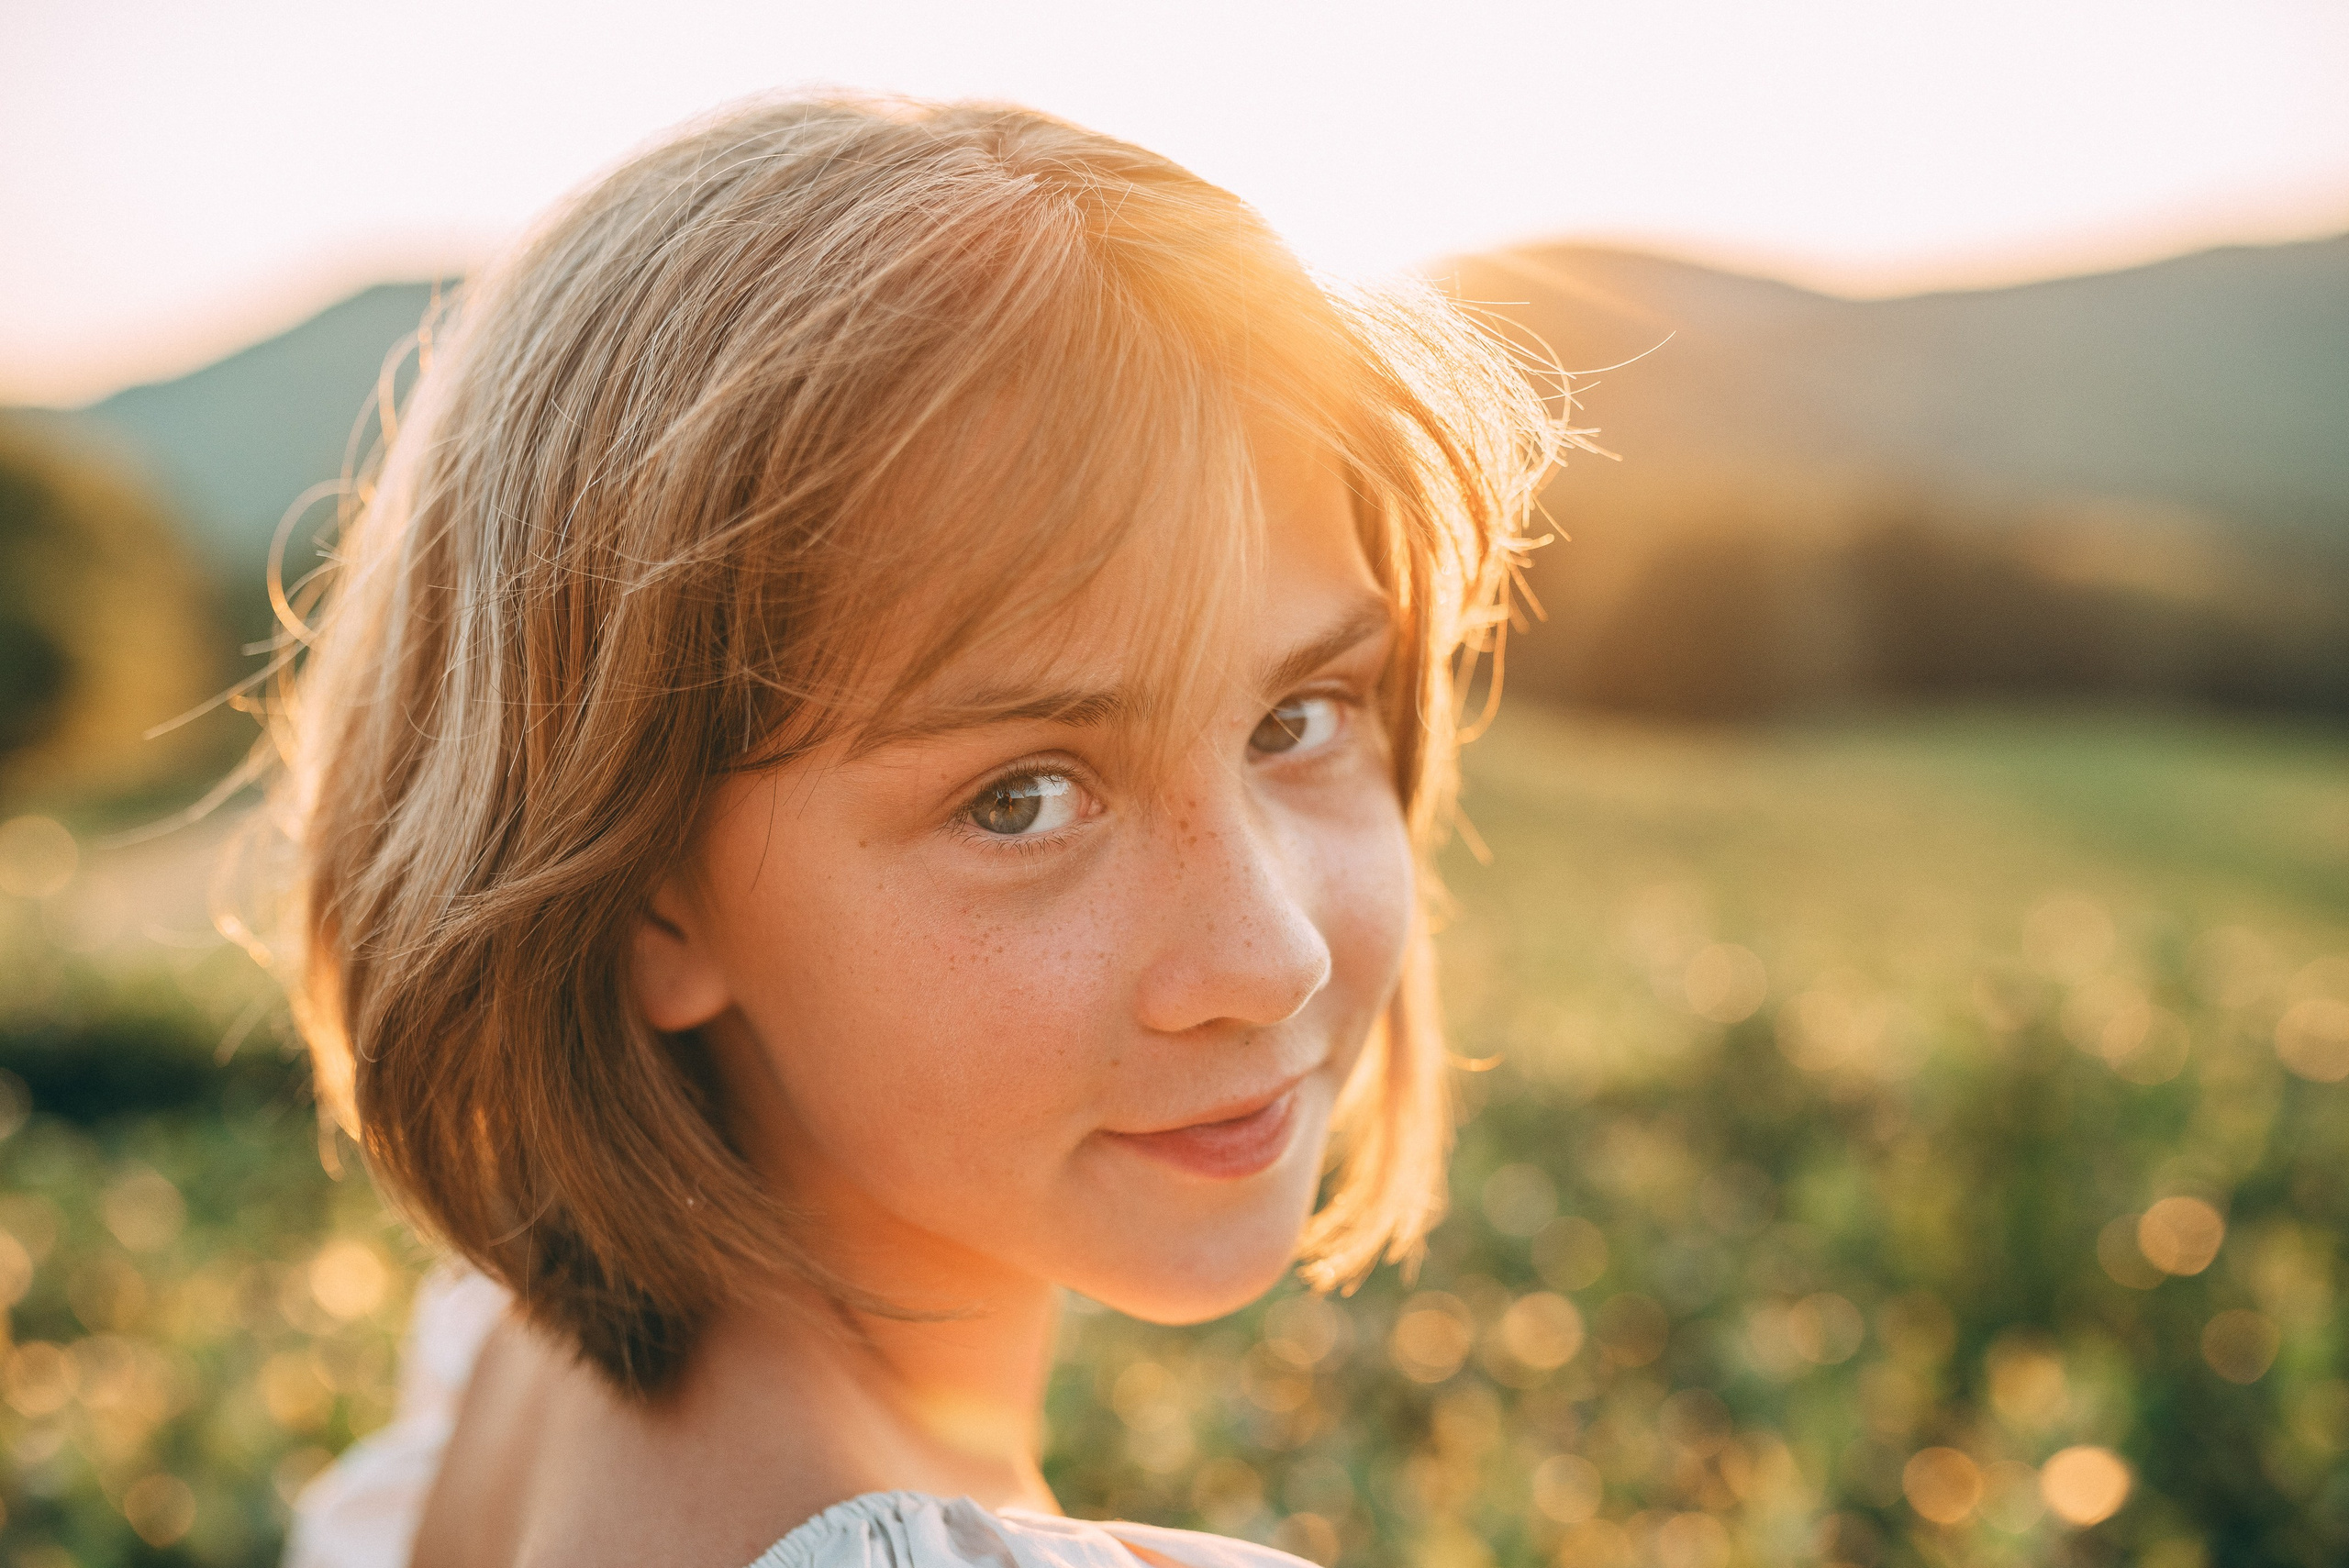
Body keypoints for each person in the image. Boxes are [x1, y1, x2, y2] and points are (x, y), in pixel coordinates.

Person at [262, 94, 1565, 1568]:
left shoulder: (519, 1364)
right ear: (644, 901)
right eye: (1020, 799)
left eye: (1298, 717)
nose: (1272, 958)